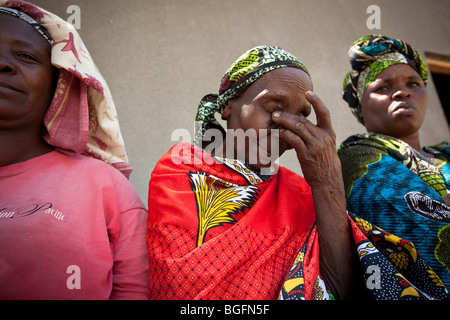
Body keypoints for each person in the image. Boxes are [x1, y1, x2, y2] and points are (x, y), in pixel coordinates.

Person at [147, 45, 449, 300]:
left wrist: (326, 180)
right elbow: (182, 284)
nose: (287, 123)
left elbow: (341, 288)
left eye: (302, 114)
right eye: (273, 106)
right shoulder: (181, 168)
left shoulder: (302, 193)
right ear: (228, 106)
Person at [0, 1, 148, 299]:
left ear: (60, 83)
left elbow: (133, 291)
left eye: (25, 55)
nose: (3, 62)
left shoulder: (103, 186)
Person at [339, 34, 450, 287]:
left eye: (413, 83)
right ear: (359, 105)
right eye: (383, 87)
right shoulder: (358, 157)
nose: (403, 93)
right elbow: (421, 224)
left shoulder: (446, 152)